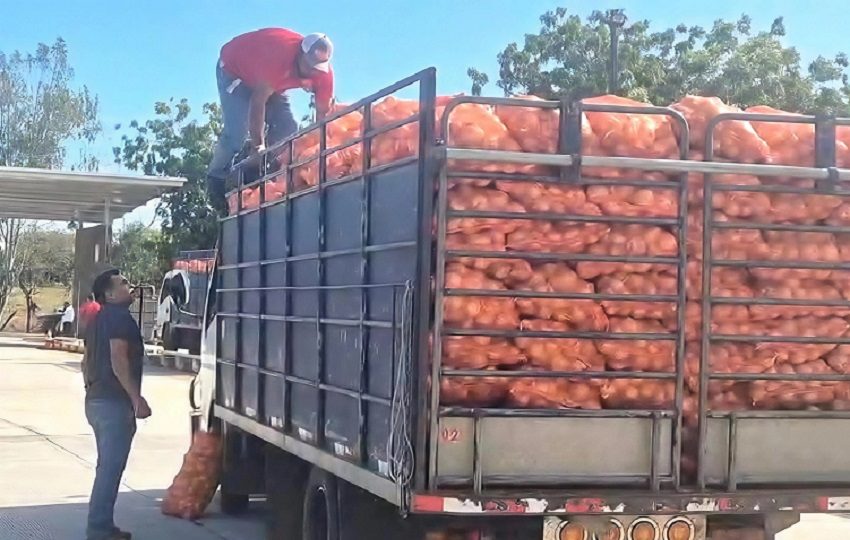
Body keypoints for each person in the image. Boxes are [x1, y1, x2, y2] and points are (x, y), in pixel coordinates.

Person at [206, 28, 335, 209]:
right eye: (309, 66)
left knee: (288, 128)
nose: (312, 72)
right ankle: (216, 177)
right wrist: (258, 146)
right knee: (237, 132)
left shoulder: (323, 75)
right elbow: (257, 103)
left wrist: (321, 149)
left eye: (317, 68)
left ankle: (271, 177)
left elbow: (323, 115)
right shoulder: (278, 58)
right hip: (234, 70)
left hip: (272, 82)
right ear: (299, 54)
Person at [82, 269, 151, 540]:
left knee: (107, 467)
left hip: (96, 400)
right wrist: (136, 399)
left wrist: (90, 387)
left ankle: (103, 525)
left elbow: (85, 359)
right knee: (110, 469)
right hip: (113, 403)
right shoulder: (120, 318)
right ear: (110, 294)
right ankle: (99, 529)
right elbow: (118, 358)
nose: (129, 286)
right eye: (123, 283)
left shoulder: (98, 319)